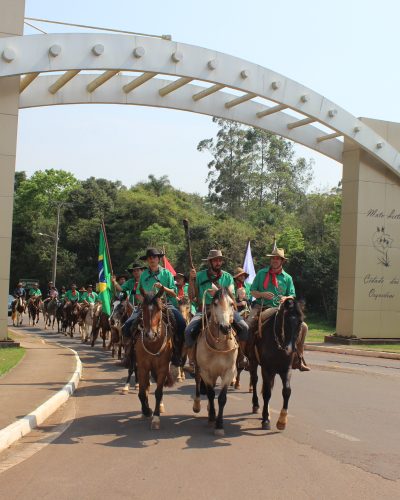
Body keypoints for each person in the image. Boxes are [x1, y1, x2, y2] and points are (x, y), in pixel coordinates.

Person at [247, 245, 310, 372]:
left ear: (282, 261)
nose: (275, 260)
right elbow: (252, 291)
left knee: (303, 327)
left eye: (278, 258)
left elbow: (292, 294)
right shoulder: (261, 273)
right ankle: (247, 357)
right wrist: (262, 294)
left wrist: (286, 298)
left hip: (282, 309)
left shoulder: (287, 278)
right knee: (247, 325)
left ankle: (299, 357)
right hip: (261, 306)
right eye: (273, 258)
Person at [121, 248, 186, 366]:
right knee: (127, 326)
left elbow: (174, 293)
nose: (152, 259)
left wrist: (163, 287)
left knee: (182, 323)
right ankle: (129, 355)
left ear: (159, 259)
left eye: (154, 257)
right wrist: (145, 302)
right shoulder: (144, 274)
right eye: (149, 258)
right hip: (146, 306)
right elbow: (138, 293)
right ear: (147, 261)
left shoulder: (167, 273)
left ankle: (177, 353)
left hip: (164, 304)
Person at [185, 249, 249, 368]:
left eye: (219, 260)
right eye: (215, 260)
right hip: (205, 308)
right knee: (189, 331)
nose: (217, 263)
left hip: (225, 310)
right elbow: (191, 296)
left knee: (245, 328)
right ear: (210, 262)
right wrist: (191, 279)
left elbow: (232, 297)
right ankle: (192, 361)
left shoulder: (228, 277)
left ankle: (241, 356)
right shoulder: (199, 276)